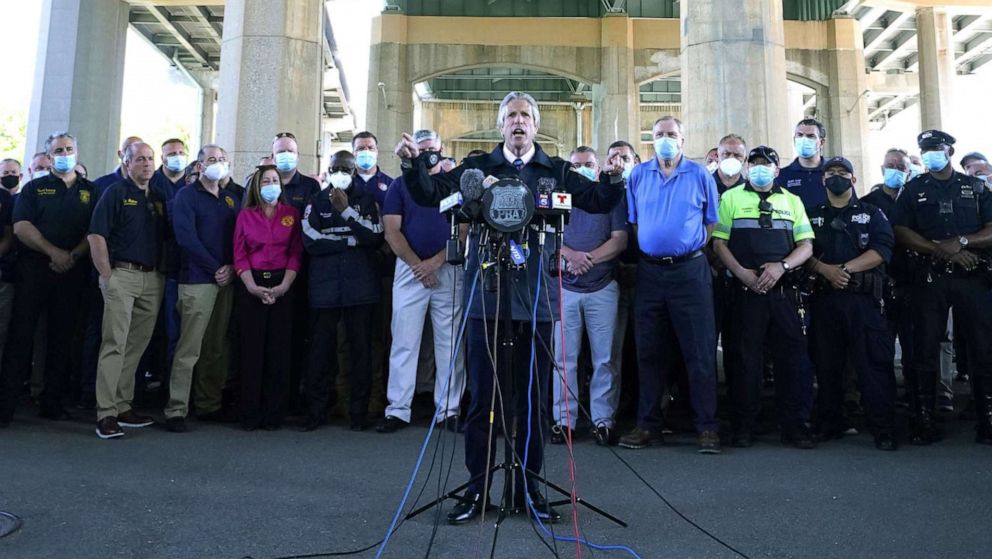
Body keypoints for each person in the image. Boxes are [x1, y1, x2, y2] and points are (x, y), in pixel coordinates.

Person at [395, 91, 625, 525]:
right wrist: (411, 164)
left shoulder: (555, 171)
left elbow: (598, 200)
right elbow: (431, 193)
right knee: (483, 400)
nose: (518, 122)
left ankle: (529, 489)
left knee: (535, 403)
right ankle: (476, 489)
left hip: (536, 302)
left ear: (535, 126)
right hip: (487, 300)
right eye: (511, 116)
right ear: (500, 125)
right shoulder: (479, 167)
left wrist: (613, 178)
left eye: (525, 115)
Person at [618, 116, 721, 454]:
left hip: (690, 273)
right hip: (651, 274)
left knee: (700, 352)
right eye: (660, 134)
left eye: (672, 134)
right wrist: (656, 249)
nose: (666, 140)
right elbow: (635, 225)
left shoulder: (700, 175)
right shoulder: (637, 175)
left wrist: (682, 249)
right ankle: (647, 425)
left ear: (683, 139)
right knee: (648, 351)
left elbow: (710, 225)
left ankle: (707, 427)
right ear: (651, 139)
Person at [892, 130, 992, 445]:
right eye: (926, 149)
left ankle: (987, 419)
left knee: (982, 347)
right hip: (929, 277)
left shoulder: (974, 187)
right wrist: (943, 248)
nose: (932, 153)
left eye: (937, 148)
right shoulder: (912, 190)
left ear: (949, 150)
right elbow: (901, 230)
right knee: (924, 349)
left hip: (971, 277)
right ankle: (923, 419)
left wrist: (962, 242)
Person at [712, 145, 815, 449]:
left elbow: (806, 245)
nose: (760, 168)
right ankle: (744, 427)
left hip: (783, 291)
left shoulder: (792, 201)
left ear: (776, 170)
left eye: (766, 164)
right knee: (745, 361)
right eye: (754, 163)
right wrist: (742, 273)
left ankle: (794, 426)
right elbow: (719, 244)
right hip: (745, 292)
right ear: (746, 168)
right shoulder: (730, 198)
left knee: (792, 361)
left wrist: (782, 267)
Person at [0, 132, 95, 426]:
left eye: (69, 148)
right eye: (58, 150)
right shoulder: (34, 189)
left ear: (77, 152)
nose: (65, 153)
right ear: (49, 156)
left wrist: (72, 257)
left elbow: (95, 230)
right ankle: (6, 406)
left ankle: (51, 403)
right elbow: (21, 227)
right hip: (33, 271)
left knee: (61, 338)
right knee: (21, 338)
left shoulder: (90, 191)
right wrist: (54, 252)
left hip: (71, 273)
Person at [378, 129, 466, 434]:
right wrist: (419, 266)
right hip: (409, 269)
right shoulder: (399, 186)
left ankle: (449, 410)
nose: (428, 154)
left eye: (432, 149)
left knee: (449, 342)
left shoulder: (454, 183)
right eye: (422, 149)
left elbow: (464, 228)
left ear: (441, 149)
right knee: (404, 341)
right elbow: (392, 230)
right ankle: (398, 409)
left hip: (448, 266)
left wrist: (435, 263)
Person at [805, 156, 897, 450]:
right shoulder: (811, 214)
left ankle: (883, 428)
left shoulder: (872, 213)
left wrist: (844, 269)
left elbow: (882, 249)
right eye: (830, 172)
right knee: (827, 365)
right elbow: (800, 248)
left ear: (853, 179)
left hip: (862, 301)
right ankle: (829, 423)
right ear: (822, 180)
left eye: (842, 172)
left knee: (872, 364)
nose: (836, 176)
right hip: (824, 299)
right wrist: (824, 271)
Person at [300, 150, 384, 432]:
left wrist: (346, 211)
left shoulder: (367, 199)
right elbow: (311, 240)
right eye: (335, 168)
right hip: (325, 288)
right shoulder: (317, 200)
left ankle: (358, 412)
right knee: (320, 351)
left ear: (354, 171)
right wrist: (349, 242)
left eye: (346, 169)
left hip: (360, 287)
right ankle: (316, 411)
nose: (340, 173)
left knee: (360, 350)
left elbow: (374, 235)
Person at [88, 142, 168, 439]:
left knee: (136, 345)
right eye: (140, 159)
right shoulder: (115, 193)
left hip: (152, 279)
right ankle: (106, 413)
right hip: (122, 275)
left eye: (150, 159)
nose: (146, 164)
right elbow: (97, 235)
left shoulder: (157, 197)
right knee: (115, 344)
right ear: (127, 161)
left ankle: (123, 405)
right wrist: (107, 275)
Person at [551, 146, 628, 446]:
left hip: (602, 286)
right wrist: (571, 257)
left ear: (598, 168)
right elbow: (547, 236)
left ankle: (602, 421)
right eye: (576, 165)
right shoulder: (559, 198)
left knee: (605, 358)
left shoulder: (610, 197)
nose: (582, 168)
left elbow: (619, 240)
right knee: (563, 358)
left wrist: (588, 259)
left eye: (588, 164)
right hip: (564, 286)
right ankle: (563, 421)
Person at [163, 144, 241, 433]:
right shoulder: (187, 196)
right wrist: (215, 268)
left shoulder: (231, 200)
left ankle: (209, 404)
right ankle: (176, 409)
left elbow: (239, 239)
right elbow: (186, 238)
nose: (217, 164)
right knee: (189, 348)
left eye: (222, 159)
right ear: (198, 165)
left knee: (216, 347)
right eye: (211, 160)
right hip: (197, 280)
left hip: (226, 280)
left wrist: (231, 267)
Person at [233, 165, 303, 431]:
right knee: (252, 350)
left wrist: (284, 285)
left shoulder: (291, 215)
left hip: (284, 283)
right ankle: (250, 413)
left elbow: (296, 252)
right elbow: (239, 254)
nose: (271, 185)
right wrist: (251, 286)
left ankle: (275, 413)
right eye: (266, 181)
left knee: (279, 350)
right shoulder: (245, 216)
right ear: (256, 186)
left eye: (275, 181)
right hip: (252, 284)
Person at [777, 118, 827, 210]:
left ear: (822, 142)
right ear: (794, 140)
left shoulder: (832, 173)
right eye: (799, 135)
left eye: (810, 136)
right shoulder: (782, 176)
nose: (804, 139)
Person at [351, 131, 394, 206]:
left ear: (377, 152)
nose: (366, 151)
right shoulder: (345, 183)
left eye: (371, 148)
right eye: (360, 148)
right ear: (353, 153)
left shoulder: (391, 184)